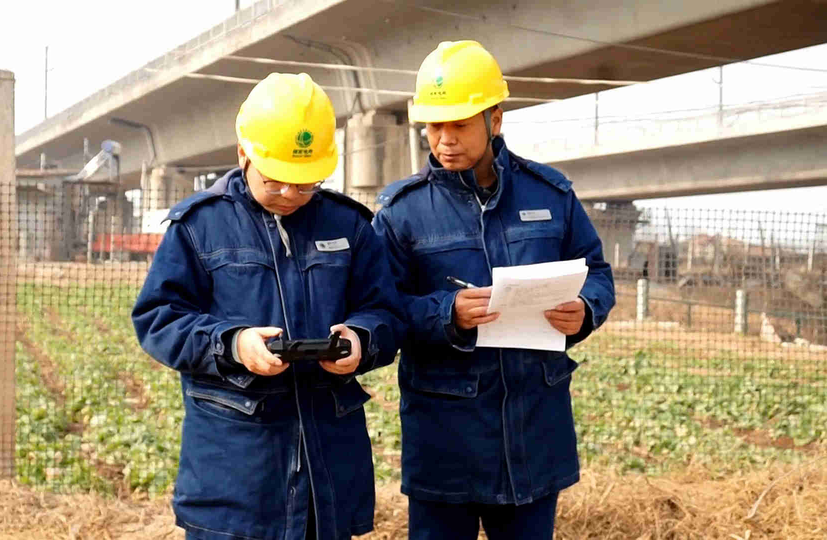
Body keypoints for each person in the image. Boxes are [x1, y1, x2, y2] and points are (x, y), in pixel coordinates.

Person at [132, 72, 405, 540]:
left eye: (305, 184)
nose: (290, 195)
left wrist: (360, 339)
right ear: (245, 154)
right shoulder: (200, 226)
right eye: (276, 181)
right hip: (236, 474)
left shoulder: (351, 225)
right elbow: (159, 318)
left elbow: (385, 312)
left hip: (328, 471)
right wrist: (232, 344)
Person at [372, 41, 616, 540]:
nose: (444, 140)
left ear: (495, 120)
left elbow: (598, 274)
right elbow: (381, 310)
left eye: (459, 124)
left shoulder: (551, 195)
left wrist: (585, 310)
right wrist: (447, 313)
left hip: (532, 431)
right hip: (446, 439)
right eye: (434, 126)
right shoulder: (401, 211)